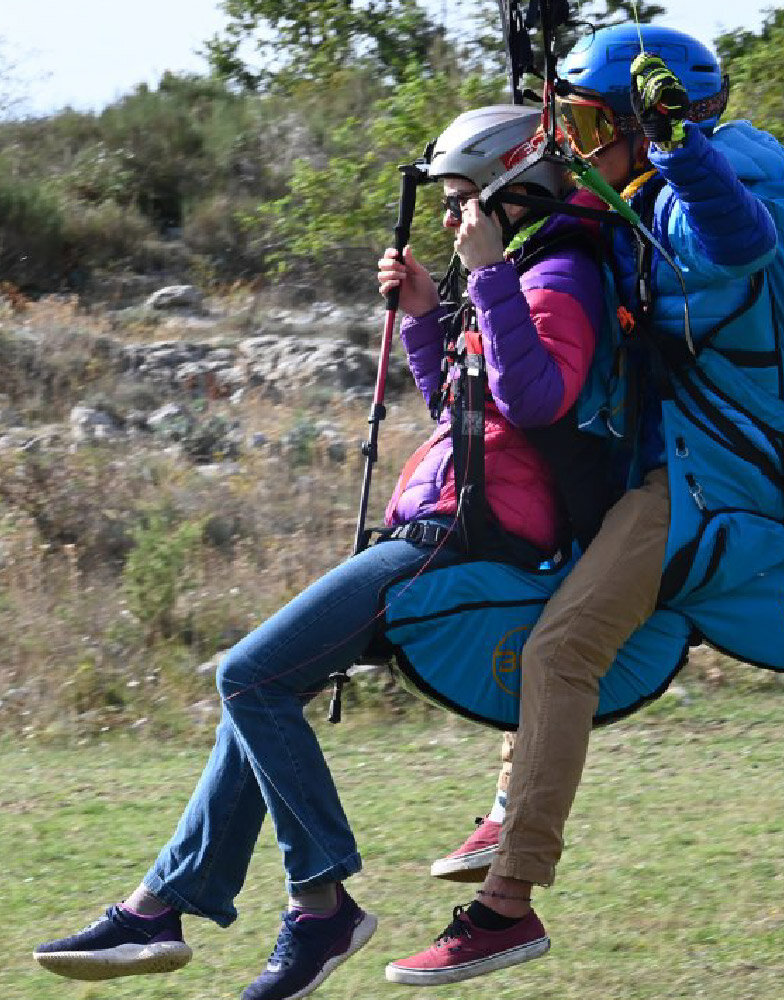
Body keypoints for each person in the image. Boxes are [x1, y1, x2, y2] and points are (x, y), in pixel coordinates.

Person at [31, 104, 609, 1000]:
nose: (449, 220)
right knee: (261, 689)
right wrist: (426, 315)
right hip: (440, 526)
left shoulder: (560, 275)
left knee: (248, 677)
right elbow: (464, 410)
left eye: (461, 201)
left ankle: (319, 907)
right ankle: (161, 906)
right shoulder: (519, 272)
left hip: (465, 537)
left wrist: (489, 276)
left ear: (514, 193)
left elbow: (537, 403)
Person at [386, 24, 784, 985]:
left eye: (590, 123)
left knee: (561, 652)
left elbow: (745, 243)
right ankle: (508, 808)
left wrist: (677, 143)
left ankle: (508, 907)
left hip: (700, 479)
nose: (569, 141)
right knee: (544, 617)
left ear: (651, 126)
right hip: (653, 465)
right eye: (565, 119)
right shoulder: (622, 207)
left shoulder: (685, 202)